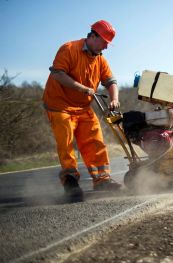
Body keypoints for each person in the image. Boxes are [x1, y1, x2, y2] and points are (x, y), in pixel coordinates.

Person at [42, 20, 122, 197]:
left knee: (95, 140)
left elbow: (110, 81)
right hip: (59, 105)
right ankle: (70, 181)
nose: (106, 48)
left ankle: (102, 180)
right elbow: (58, 74)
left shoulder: (100, 59)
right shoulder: (69, 49)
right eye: (104, 43)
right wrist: (81, 88)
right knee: (66, 141)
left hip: (82, 106)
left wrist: (114, 98)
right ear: (93, 36)